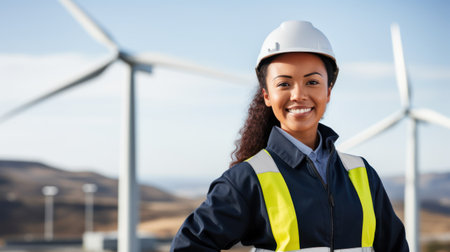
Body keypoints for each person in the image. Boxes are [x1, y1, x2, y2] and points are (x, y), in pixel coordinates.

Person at [171, 20, 409, 252]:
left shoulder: (362, 174)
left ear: (328, 91)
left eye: (312, 82)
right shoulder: (248, 179)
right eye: (284, 84)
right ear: (266, 95)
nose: (299, 95)